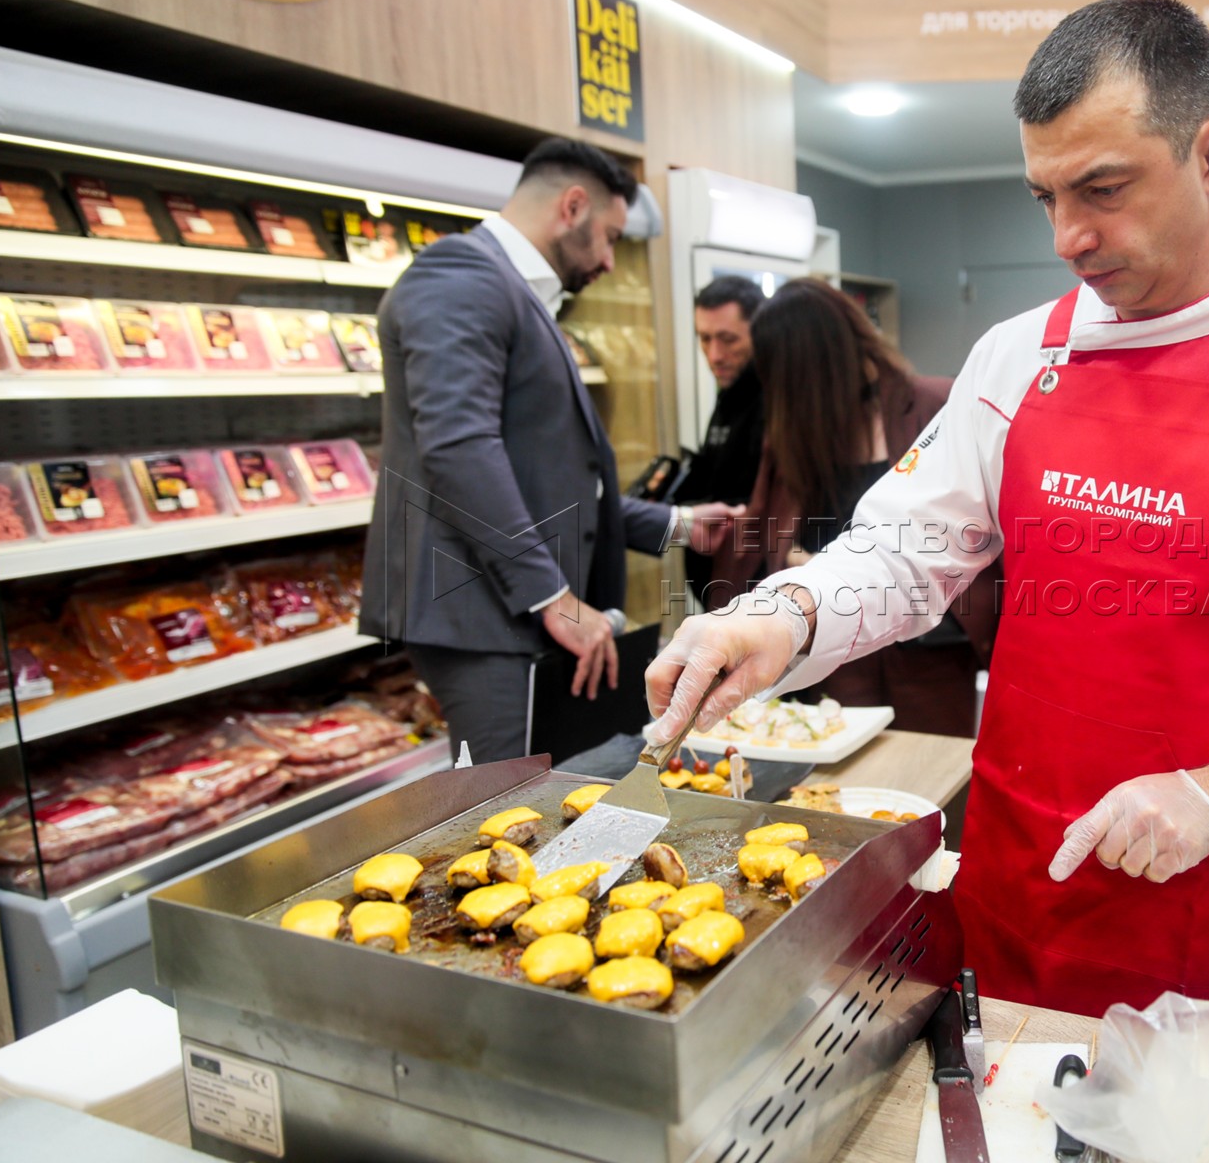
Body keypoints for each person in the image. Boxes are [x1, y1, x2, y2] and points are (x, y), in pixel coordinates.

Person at [644, 0, 1209, 1026]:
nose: (1069, 236)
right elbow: (903, 549)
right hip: (1027, 889)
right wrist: (783, 615)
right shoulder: (1019, 358)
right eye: (1045, 196)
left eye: (1103, 188)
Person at [360, 137, 739, 764]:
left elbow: (549, 480)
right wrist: (552, 597)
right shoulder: (459, 276)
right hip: (479, 611)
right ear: (572, 207)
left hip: (502, 608)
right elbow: (458, 447)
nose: (613, 262)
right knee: (504, 815)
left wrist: (676, 525)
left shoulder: (511, 290)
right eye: (612, 236)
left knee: (540, 802)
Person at [705, 278, 999, 736]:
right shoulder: (794, 435)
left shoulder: (936, 405)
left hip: (934, 653)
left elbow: (975, 531)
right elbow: (768, 536)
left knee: (934, 779)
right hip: (838, 654)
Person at [673, 276, 767, 600]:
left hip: (753, 594)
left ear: (759, 331)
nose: (715, 355)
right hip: (715, 588)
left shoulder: (778, 401)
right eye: (705, 339)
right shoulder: (729, 393)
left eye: (728, 340)